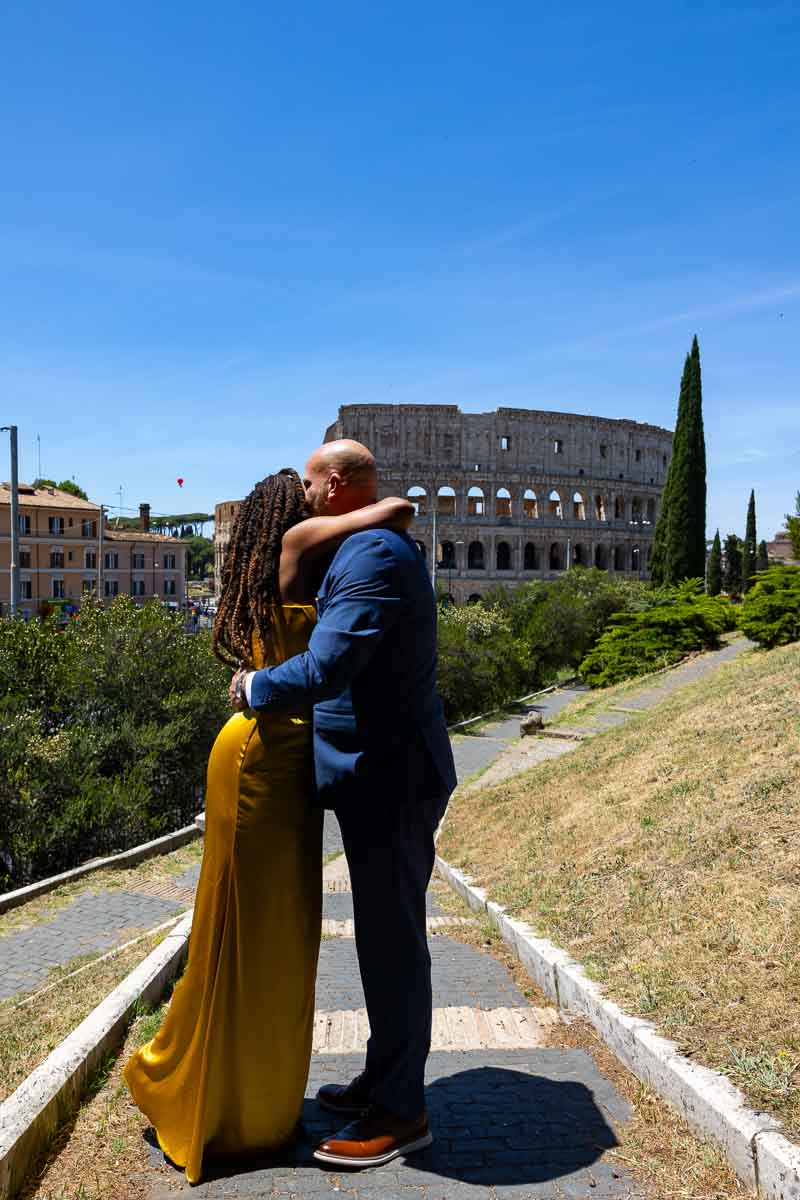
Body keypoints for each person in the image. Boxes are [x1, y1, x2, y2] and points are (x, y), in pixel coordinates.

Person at [123, 465, 414, 1185]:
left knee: (270, 933)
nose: (316, 498)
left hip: (276, 760)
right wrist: (360, 508)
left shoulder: (280, 553)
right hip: (263, 757)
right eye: (308, 489)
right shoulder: (299, 542)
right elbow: (399, 509)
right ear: (294, 507)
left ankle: (251, 1099)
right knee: (254, 933)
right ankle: (229, 1105)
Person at [231, 439, 457, 1169]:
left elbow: (329, 666)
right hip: (377, 776)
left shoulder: (375, 558)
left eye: (305, 480)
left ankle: (403, 1113)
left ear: (332, 487)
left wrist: (253, 689)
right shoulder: (362, 545)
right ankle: (381, 1077)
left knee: (393, 944)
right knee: (379, 939)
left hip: (391, 778)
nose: (298, 491)